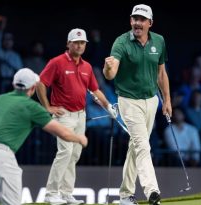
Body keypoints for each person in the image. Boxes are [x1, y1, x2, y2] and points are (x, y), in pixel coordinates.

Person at [0, 68, 88, 205]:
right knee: (11, 202)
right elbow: (62, 132)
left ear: (14, 84)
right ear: (32, 88)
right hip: (0, 155)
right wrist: (80, 139)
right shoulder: (31, 107)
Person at [37, 28, 117, 204]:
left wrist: (108, 106)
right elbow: (41, 84)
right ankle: (51, 193)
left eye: (83, 43)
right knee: (65, 152)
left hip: (81, 115)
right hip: (63, 115)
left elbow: (95, 90)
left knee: (74, 154)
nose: (80, 45)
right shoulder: (56, 62)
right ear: (68, 44)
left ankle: (66, 193)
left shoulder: (87, 66)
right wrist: (47, 107)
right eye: (76, 42)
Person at [103, 4, 172, 205]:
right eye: (134, 19)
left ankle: (125, 195)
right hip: (128, 100)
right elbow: (111, 73)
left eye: (142, 20)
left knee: (135, 146)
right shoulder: (121, 42)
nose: (137, 23)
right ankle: (152, 191)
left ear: (150, 23)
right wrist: (107, 68)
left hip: (151, 100)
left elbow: (161, 73)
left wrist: (166, 100)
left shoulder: (159, 41)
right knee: (143, 145)